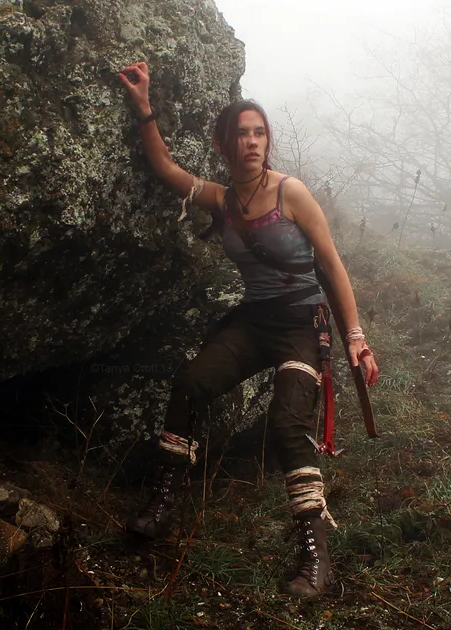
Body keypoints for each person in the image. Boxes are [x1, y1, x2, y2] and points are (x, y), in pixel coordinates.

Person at [117, 61, 379, 599]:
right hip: (255, 320)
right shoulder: (220, 197)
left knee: (287, 426)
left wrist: (355, 337)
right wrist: (144, 108)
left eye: (260, 132)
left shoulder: (291, 193)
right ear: (224, 144)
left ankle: (316, 559)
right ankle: (163, 504)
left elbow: (332, 265)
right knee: (190, 384)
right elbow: (165, 167)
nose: (253, 142)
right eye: (242, 133)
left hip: (301, 325)